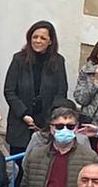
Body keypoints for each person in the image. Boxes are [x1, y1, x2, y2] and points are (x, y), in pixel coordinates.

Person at [5, 20, 70, 155]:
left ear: (50, 41)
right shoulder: (19, 59)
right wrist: (24, 114)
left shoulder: (58, 61)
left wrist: (48, 118)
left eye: (43, 38)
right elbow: (9, 91)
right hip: (21, 123)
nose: (38, 41)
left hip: (46, 124)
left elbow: (61, 91)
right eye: (35, 37)